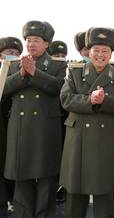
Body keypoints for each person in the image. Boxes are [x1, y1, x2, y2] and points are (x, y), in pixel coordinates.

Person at [59, 27, 114, 218]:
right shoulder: (74, 72)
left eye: (105, 51)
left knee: (103, 189)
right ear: (88, 51)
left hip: (104, 138)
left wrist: (104, 100)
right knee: (75, 188)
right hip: (78, 137)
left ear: (111, 53)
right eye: (96, 50)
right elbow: (65, 99)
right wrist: (89, 100)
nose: (100, 55)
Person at [3, 21, 67, 218]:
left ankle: (44, 214)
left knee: (46, 176)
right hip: (20, 127)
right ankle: (22, 213)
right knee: (21, 173)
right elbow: (3, 89)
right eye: (29, 40)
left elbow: (58, 88)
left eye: (36, 40)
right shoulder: (12, 65)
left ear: (46, 44)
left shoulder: (59, 65)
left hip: (45, 128)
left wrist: (34, 73)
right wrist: (21, 74)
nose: (31, 44)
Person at [0, 37, 22, 218]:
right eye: (9, 53)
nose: (13, 56)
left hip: (13, 124)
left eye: (16, 54)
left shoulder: (19, 70)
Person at [47, 40, 69, 204]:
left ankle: (62, 190)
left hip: (65, 119)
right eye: (56, 55)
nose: (60, 58)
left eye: (63, 56)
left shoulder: (68, 71)